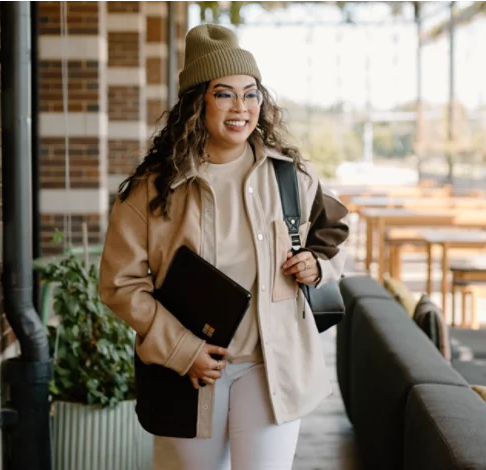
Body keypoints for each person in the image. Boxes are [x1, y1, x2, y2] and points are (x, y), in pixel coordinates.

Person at [98, 23, 349, 470]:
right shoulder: (153, 190)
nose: (241, 107)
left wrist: (316, 265)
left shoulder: (290, 177)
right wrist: (182, 350)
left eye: (251, 93)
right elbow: (120, 284)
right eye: (224, 94)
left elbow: (333, 237)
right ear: (197, 104)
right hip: (188, 373)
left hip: (270, 367)